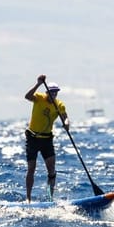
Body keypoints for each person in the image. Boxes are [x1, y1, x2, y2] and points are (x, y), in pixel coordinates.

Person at [24, 74, 69, 202]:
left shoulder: (59, 105)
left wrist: (66, 124)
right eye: (51, 92)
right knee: (31, 167)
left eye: (56, 93)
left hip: (47, 140)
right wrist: (38, 83)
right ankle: (28, 198)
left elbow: (65, 117)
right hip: (33, 138)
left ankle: (49, 198)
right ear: (47, 92)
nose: (54, 95)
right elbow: (27, 96)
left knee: (51, 169)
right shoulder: (39, 98)